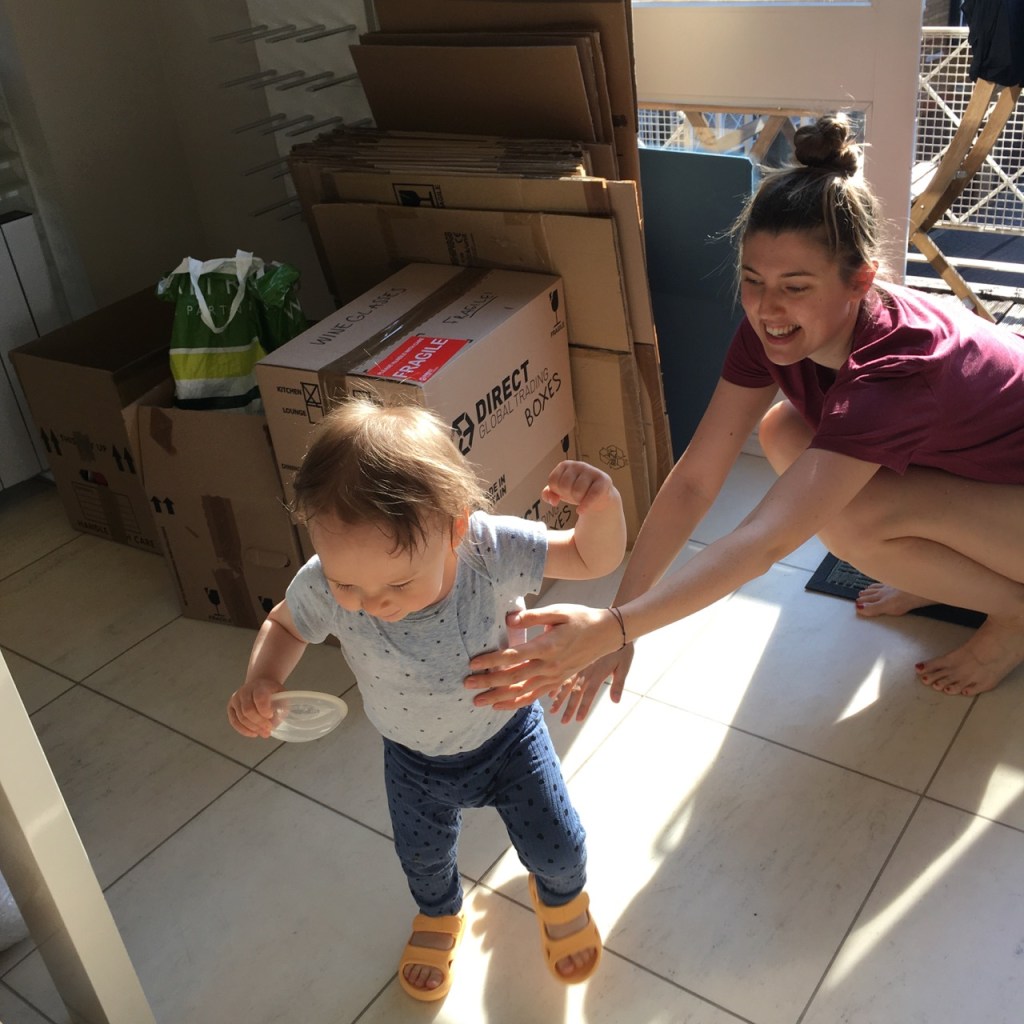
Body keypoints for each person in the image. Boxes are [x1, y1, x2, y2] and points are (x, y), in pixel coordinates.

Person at [464, 112, 1024, 721]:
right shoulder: (775, 333)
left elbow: (766, 540)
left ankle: (1015, 615)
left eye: (796, 286)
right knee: (783, 431)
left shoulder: (894, 371)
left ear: (860, 282)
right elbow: (695, 480)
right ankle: (939, 572)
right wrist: (620, 621)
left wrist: (617, 628)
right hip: (982, 478)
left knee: (854, 525)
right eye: (753, 280)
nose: (767, 308)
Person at [227, 397, 625, 1000]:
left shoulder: (488, 551)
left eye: (398, 582)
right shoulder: (328, 583)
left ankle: (562, 895)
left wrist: (603, 507)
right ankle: (439, 914)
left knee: (559, 847)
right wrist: (262, 678)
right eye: (347, 583)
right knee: (422, 859)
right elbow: (285, 623)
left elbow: (592, 555)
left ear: (454, 527)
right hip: (412, 760)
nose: (373, 603)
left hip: (508, 740)